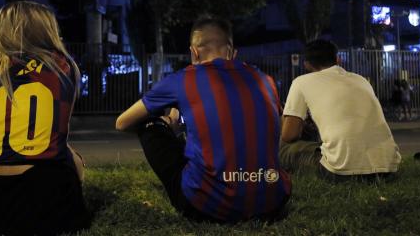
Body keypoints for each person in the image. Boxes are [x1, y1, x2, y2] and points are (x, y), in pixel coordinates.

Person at [116, 16, 291, 223]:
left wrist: (166, 123)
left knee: (148, 124)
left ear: (194, 52)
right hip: (272, 203)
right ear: (232, 52)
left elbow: (122, 122)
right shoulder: (265, 80)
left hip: (208, 207)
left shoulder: (183, 79)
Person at [0, 1, 90, 236]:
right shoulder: (64, 68)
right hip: (40, 193)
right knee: (71, 157)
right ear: (48, 30)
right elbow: (58, 133)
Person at [280, 39, 401, 181]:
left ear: (306, 64)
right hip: (388, 170)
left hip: (340, 172)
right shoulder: (361, 80)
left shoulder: (300, 82)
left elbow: (289, 135)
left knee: (283, 149)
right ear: (338, 59)